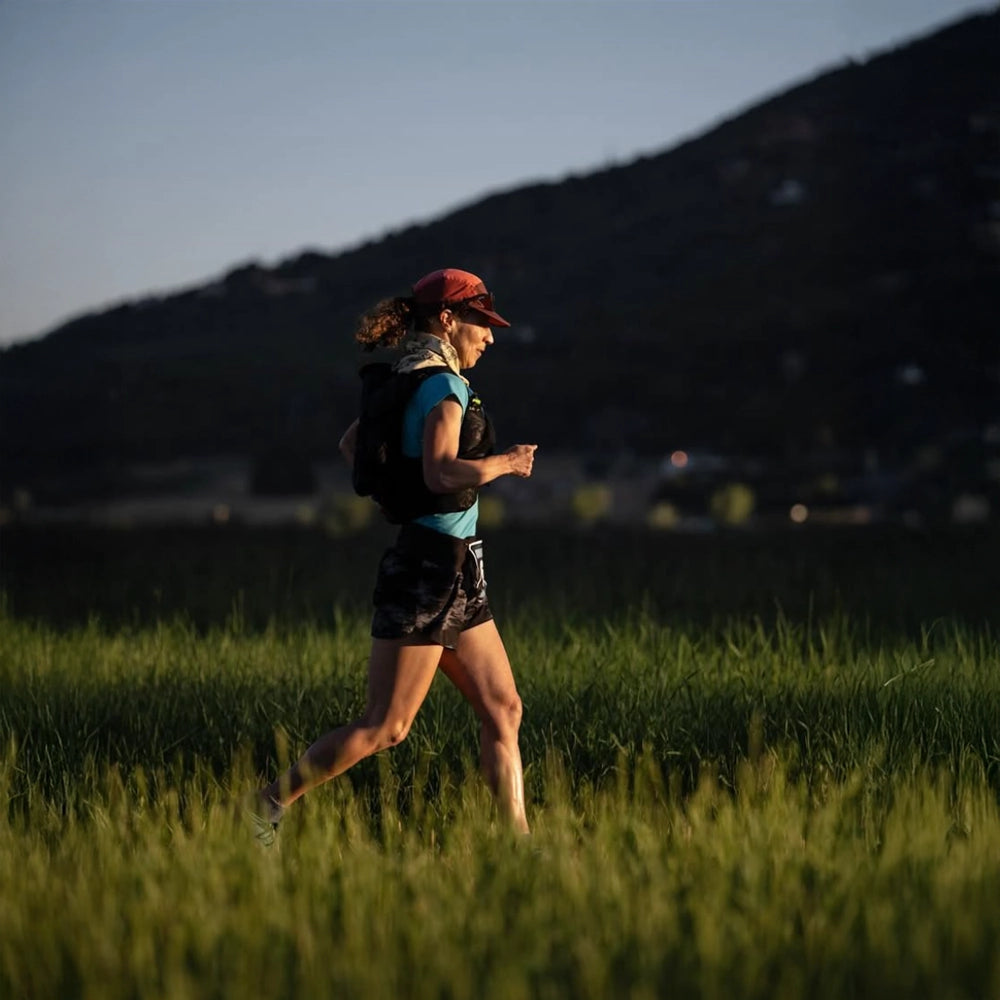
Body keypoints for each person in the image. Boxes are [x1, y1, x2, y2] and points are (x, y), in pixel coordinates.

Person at [254, 268, 537, 840]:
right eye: (482, 323)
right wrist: (505, 463)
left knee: (504, 708)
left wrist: (397, 495)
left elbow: (353, 445)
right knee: (387, 726)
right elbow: (441, 471)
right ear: (449, 320)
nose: (491, 336)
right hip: (428, 573)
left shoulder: (405, 381)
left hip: (455, 569)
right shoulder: (444, 387)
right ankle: (266, 805)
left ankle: (519, 849)